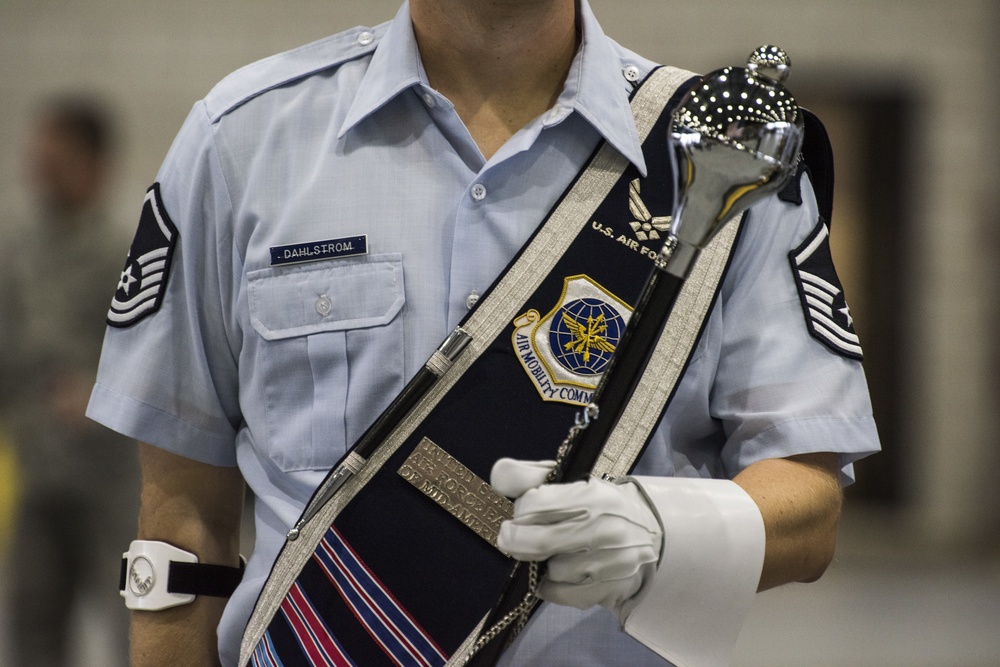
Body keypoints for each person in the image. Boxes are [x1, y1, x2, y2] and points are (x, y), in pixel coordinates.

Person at [87, 1, 880, 665]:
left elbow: (809, 507)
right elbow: (179, 529)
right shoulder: (241, 143)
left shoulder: (722, 159)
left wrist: (663, 532)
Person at [0, 95, 138, 667]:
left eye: (56, 161)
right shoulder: (18, 253)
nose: (42, 175)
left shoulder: (125, 254)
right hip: (37, 468)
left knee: (124, 618)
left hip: (109, 475)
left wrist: (97, 393)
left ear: (94, 164)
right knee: (33, 621)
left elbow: (151, 362)